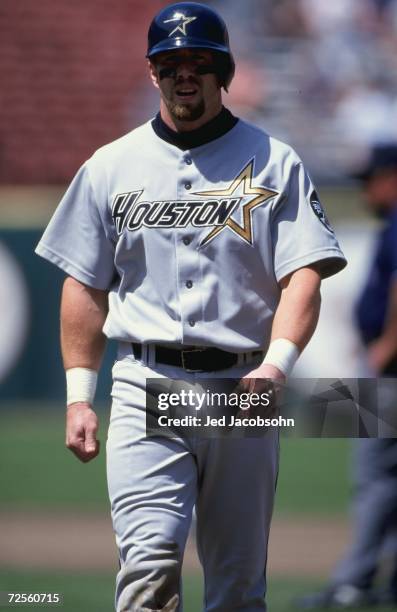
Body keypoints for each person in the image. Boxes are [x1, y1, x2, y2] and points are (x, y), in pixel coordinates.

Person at [35, 3, 346, 610]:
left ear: (223, 73)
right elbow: (83, 283)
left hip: (242, 385)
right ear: (152, 74)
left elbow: (304, 275)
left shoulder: (274, 160)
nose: (184, 73)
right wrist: (79, 395)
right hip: (145, 383)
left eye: (199, 61)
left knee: (236, 585)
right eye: (170, 61)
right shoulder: (110, 165)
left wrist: (276, 366)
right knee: (149, 567)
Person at [295, 144, 397, 609]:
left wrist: (385, 347)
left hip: (389, 372)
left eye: (370, 178)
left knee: (373, 476)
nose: (365, 189)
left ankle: (353, 582)